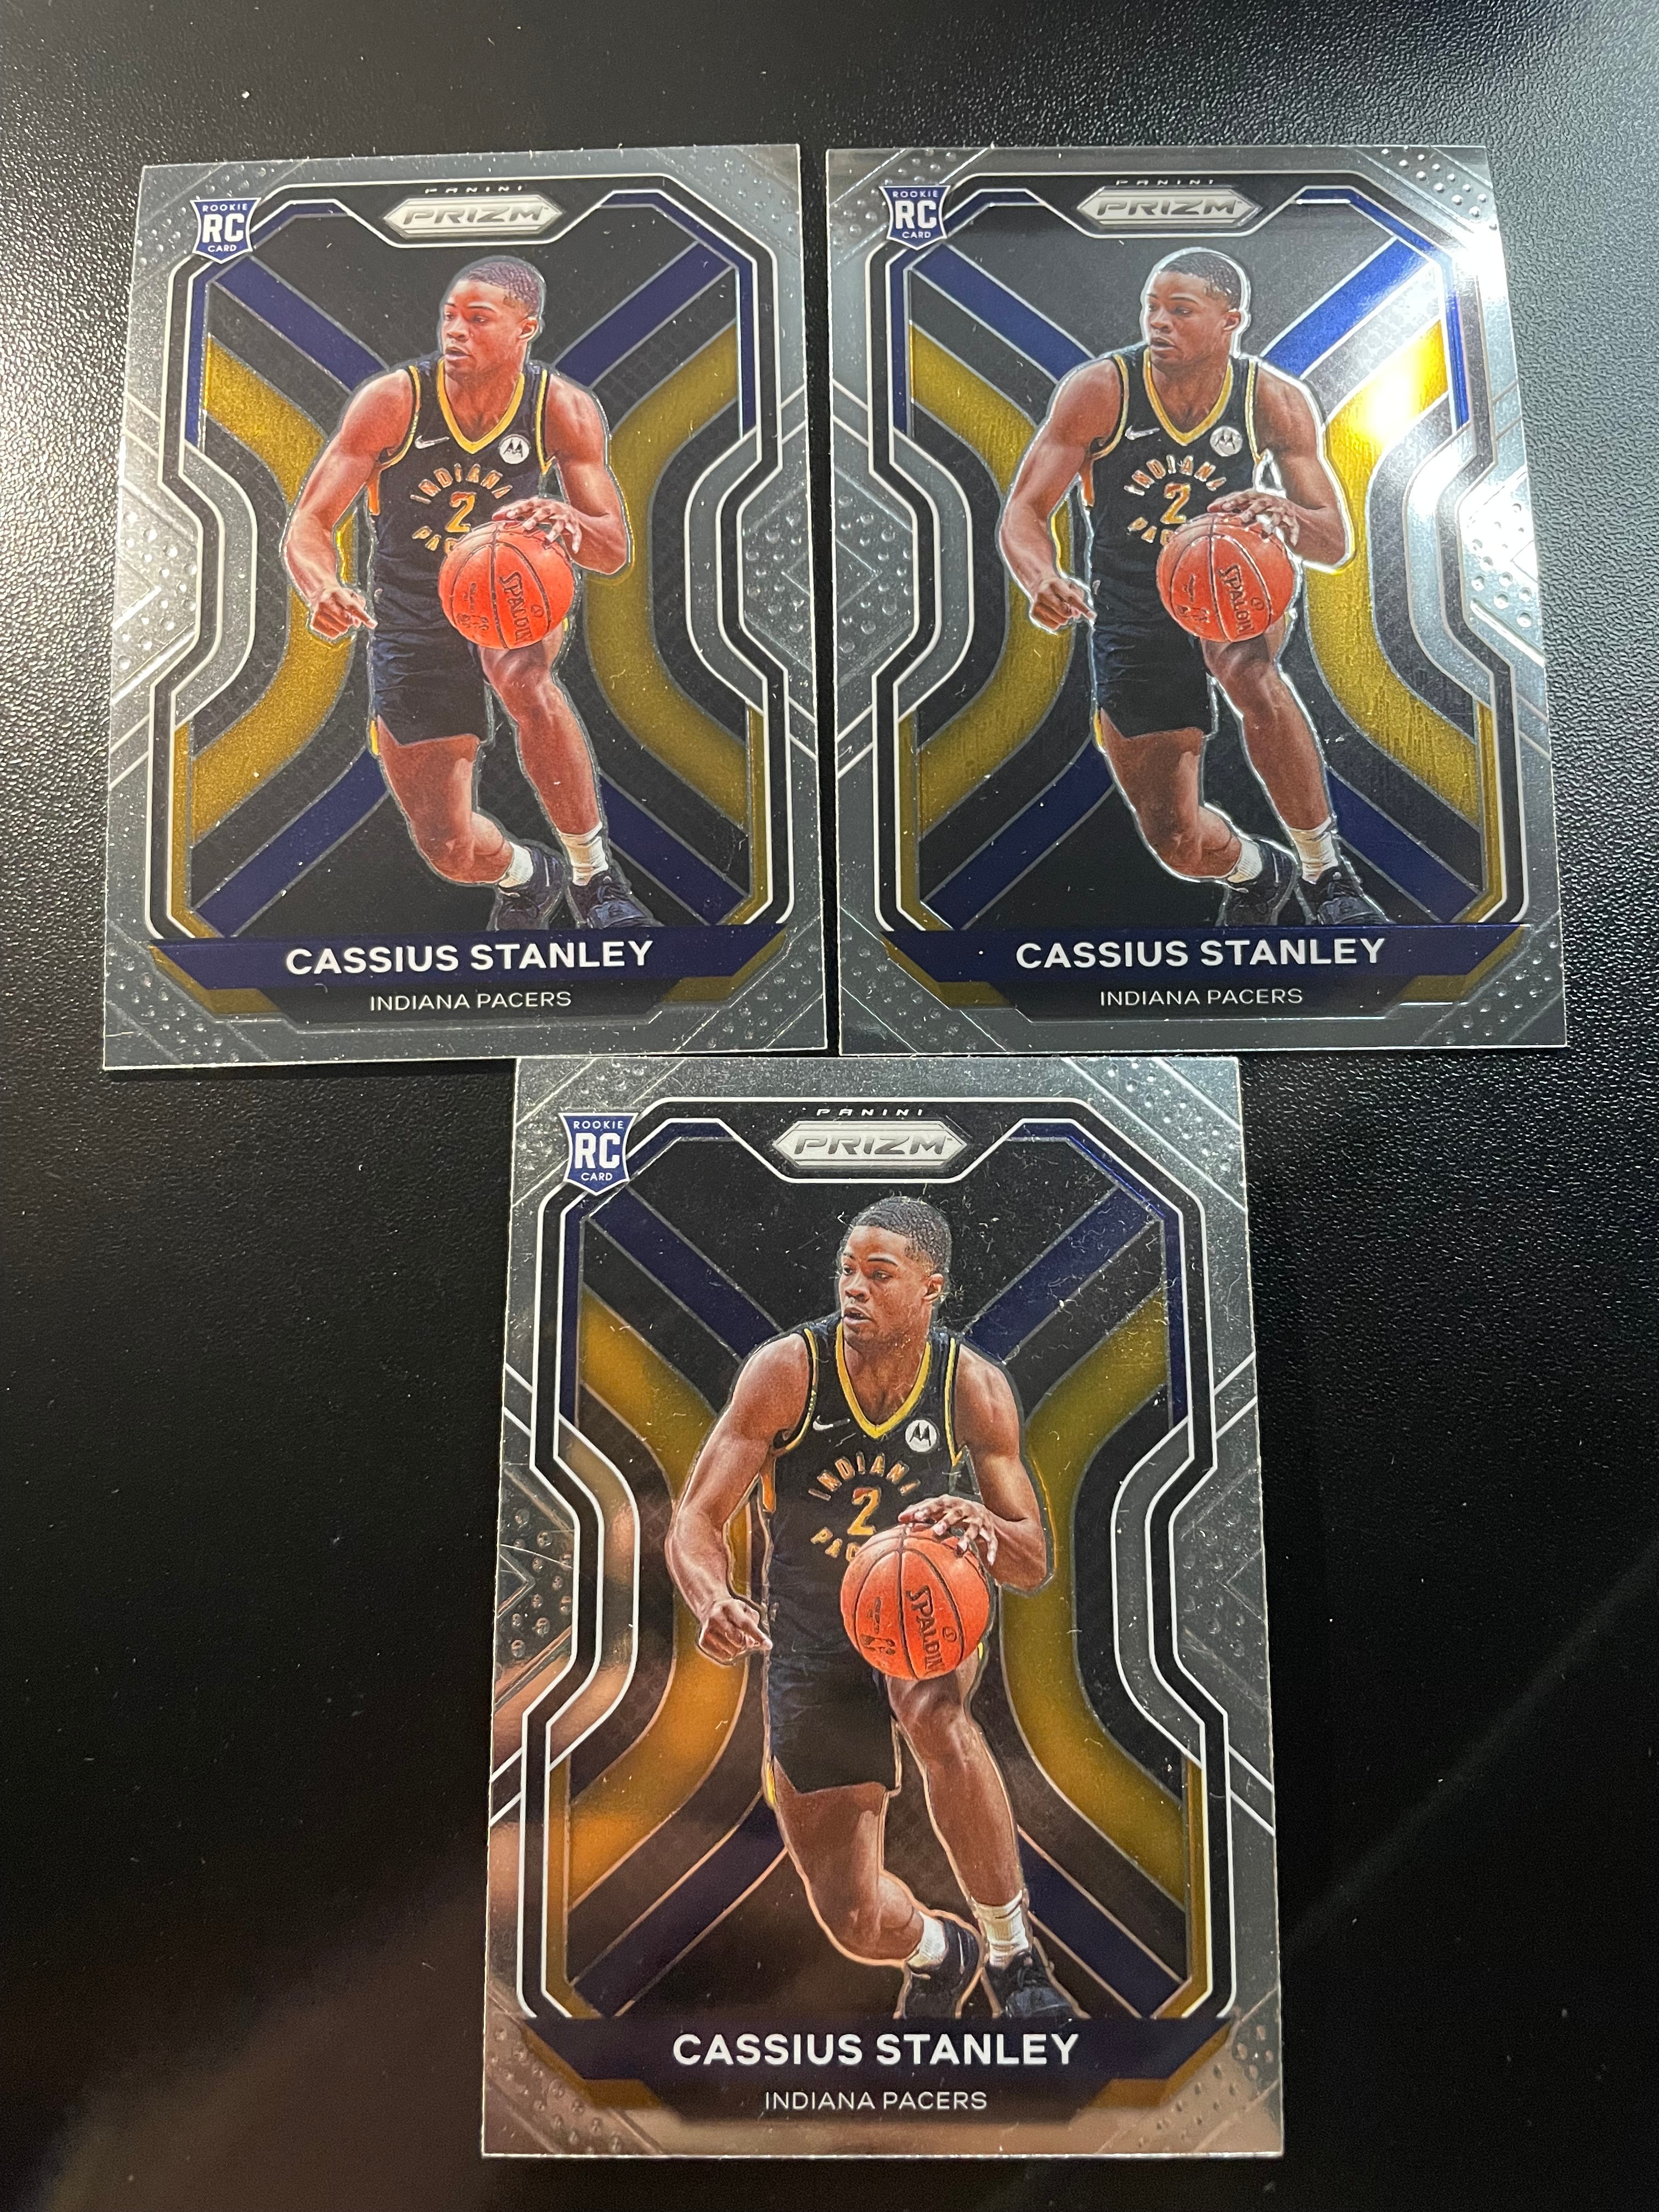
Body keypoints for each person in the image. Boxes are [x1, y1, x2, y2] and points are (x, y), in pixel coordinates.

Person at [667, 1196, 1076, 2022]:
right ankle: (940, 1949)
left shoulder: (971, 1386)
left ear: (931, 1288)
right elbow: (695, 1520)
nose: (854, 1288)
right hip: (812, 1638)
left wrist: (984, 1525)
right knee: (853, 1919)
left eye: (879, 1274)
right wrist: (713, 1598)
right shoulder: (788, 1372)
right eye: (847, 1271)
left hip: (924, 1614)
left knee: (933, 1712)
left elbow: (1032, 1561)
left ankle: (1012, 1953)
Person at [998, 247, 1386, 927]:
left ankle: (1326, 872)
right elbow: (1025, 512)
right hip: (1133, 607)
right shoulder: (1101, 390)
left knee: (1248, 670)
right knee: (1175, 840)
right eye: (1152, 307)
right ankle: (1257, 868)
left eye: (1180, 310)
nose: (1159, 322)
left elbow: (1333, 543)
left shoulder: (1272, 399)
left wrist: (1284, 513)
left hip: (1233, 586)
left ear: (1230, 320)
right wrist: (1043, 577)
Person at [282, 255, 652, 928]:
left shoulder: (560, 407)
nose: (455, 331)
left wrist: (568, 521)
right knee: (447, 846)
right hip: (412, 613)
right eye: (450, 316)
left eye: (477, 319)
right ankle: (525, 871)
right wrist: (323, 585)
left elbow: (612, 550)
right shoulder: (394, 401)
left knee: (523, 678)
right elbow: (309, 524)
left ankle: (594, 876)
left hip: (510, 591)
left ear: (525, 329)